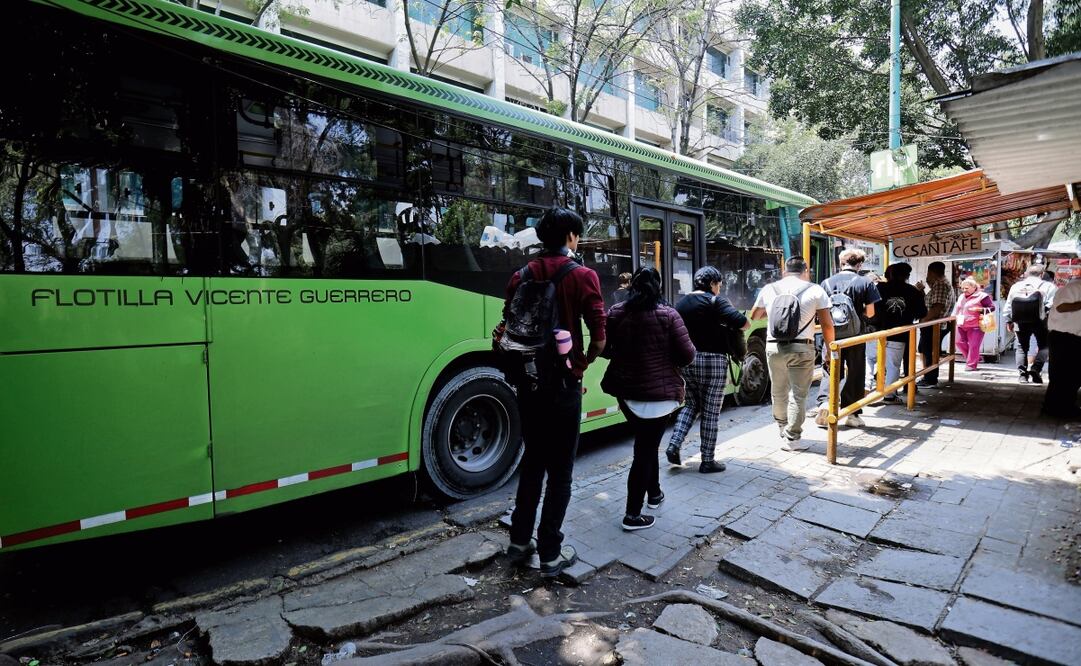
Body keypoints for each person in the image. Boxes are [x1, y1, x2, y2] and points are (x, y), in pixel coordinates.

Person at [504, 207, 606, 578]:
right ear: (572, 237)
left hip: (528, 384)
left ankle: (519, 542)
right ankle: (550, 553)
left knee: (532, 462)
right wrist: (580, 364)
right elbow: (599, 337)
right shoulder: (582, 275)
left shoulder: (519, 276)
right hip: (563, 387)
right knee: (560, 471)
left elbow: (508, 327)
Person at [601, 267, 695, 531]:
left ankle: (654, 494)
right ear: (659, 286)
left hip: (627, 395)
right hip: (660, 397)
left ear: (632, 285)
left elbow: (605, 349)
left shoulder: (617, 312)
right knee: (644, 450)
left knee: (646, 444)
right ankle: (632, 515)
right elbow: (688, 356)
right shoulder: (669, 315)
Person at [665, 266, 749, 473]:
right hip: (713, 361)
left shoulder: (681, 303)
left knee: (691, 404)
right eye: (719, 285)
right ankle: (708, 461)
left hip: (687, 360)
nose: (719, 289)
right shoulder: (715, 301)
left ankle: (674, 444)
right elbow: (743, 323)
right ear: (712, 284)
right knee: (711, 411)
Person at [751, 256, 834, 451]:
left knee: (778, 391)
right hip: (802, 348)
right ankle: (792, 438)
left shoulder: (769, 289)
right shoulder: (815, 290)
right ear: (806, 270)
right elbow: (827, 324)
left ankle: (782, 427)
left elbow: (755, 315)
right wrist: (830, 350)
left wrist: (772, 312)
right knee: (798, 395)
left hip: (774, 347)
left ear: (784, 270)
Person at [814, 248, 881, 428]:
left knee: (830, 369)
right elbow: (871, 312)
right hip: (855, 336)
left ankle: (825, 403)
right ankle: (852, 414)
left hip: (831, 336)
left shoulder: (826, 283)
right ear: (859, 264)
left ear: (841, 263)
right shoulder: (865, 282)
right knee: (855, 371)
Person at [871, 263, 927, 402]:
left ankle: (866, 392)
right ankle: (889, 395)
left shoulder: (879, 288)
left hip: (877, 332)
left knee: (872, 362)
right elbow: (922, 312)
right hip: (900, 333)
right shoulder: (912, 291)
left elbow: (870, 310)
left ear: (889, 275)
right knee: (893, 365)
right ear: (907, 276)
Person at [1004, 264, 1057, 384]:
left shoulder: (1016, 286)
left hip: (1020, 321)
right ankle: (1036, 368)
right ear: (1042, 274)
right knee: (1045, 346)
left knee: (1022, 347)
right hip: (1041, 321)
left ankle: (1022, 375)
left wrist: (1008, 320)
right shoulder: (1049, 286)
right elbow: (1052, 305)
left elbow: (1008, 305)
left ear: (1027, 274)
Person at [1042, 278, 1081, 419]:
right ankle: (1058, 408)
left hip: (1071, 337)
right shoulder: (1074, 287)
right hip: (1064, 337)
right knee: (1064, 374)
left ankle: (1062, 406)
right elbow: (1061, 307)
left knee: (1070, 375)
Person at [915, 261, 953, 388]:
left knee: (929, 351)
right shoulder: (940, 284)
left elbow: (937, 308)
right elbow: (932, 303)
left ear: (931, 272)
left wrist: (923, 320)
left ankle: (930, 378)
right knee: (925, 349)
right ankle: (928, 376)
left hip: (933, 324)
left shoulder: (941, 285)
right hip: (934, 324)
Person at [952, 277, 995, 371]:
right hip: (961, 323)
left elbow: (992, 308)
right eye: (962, 288)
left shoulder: (982, 296)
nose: (964, 290)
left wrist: (979, 309)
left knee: (974, 345)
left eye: (966, 288)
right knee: (958, 342)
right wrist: (953, 317)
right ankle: (974, 357)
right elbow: (957, 308)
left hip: (976, 325)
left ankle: (971, 365)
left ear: (974, 287)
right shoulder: (961, 296)